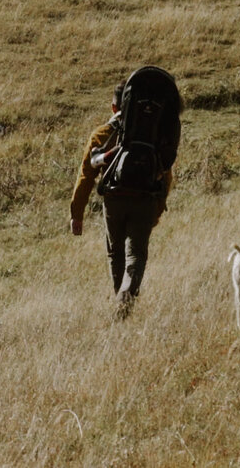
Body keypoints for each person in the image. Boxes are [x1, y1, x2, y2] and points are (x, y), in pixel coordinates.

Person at [69, 73, 177, 311]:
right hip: (145, 199)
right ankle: (126, 296)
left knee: (115, 254)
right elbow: (166, 172)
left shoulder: (101, 134)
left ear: (115, 106)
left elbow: (86, 174)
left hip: (114, 199)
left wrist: (77, 213)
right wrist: (158, 207)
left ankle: (121, 302)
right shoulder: (154, 134)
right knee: (136, 254)